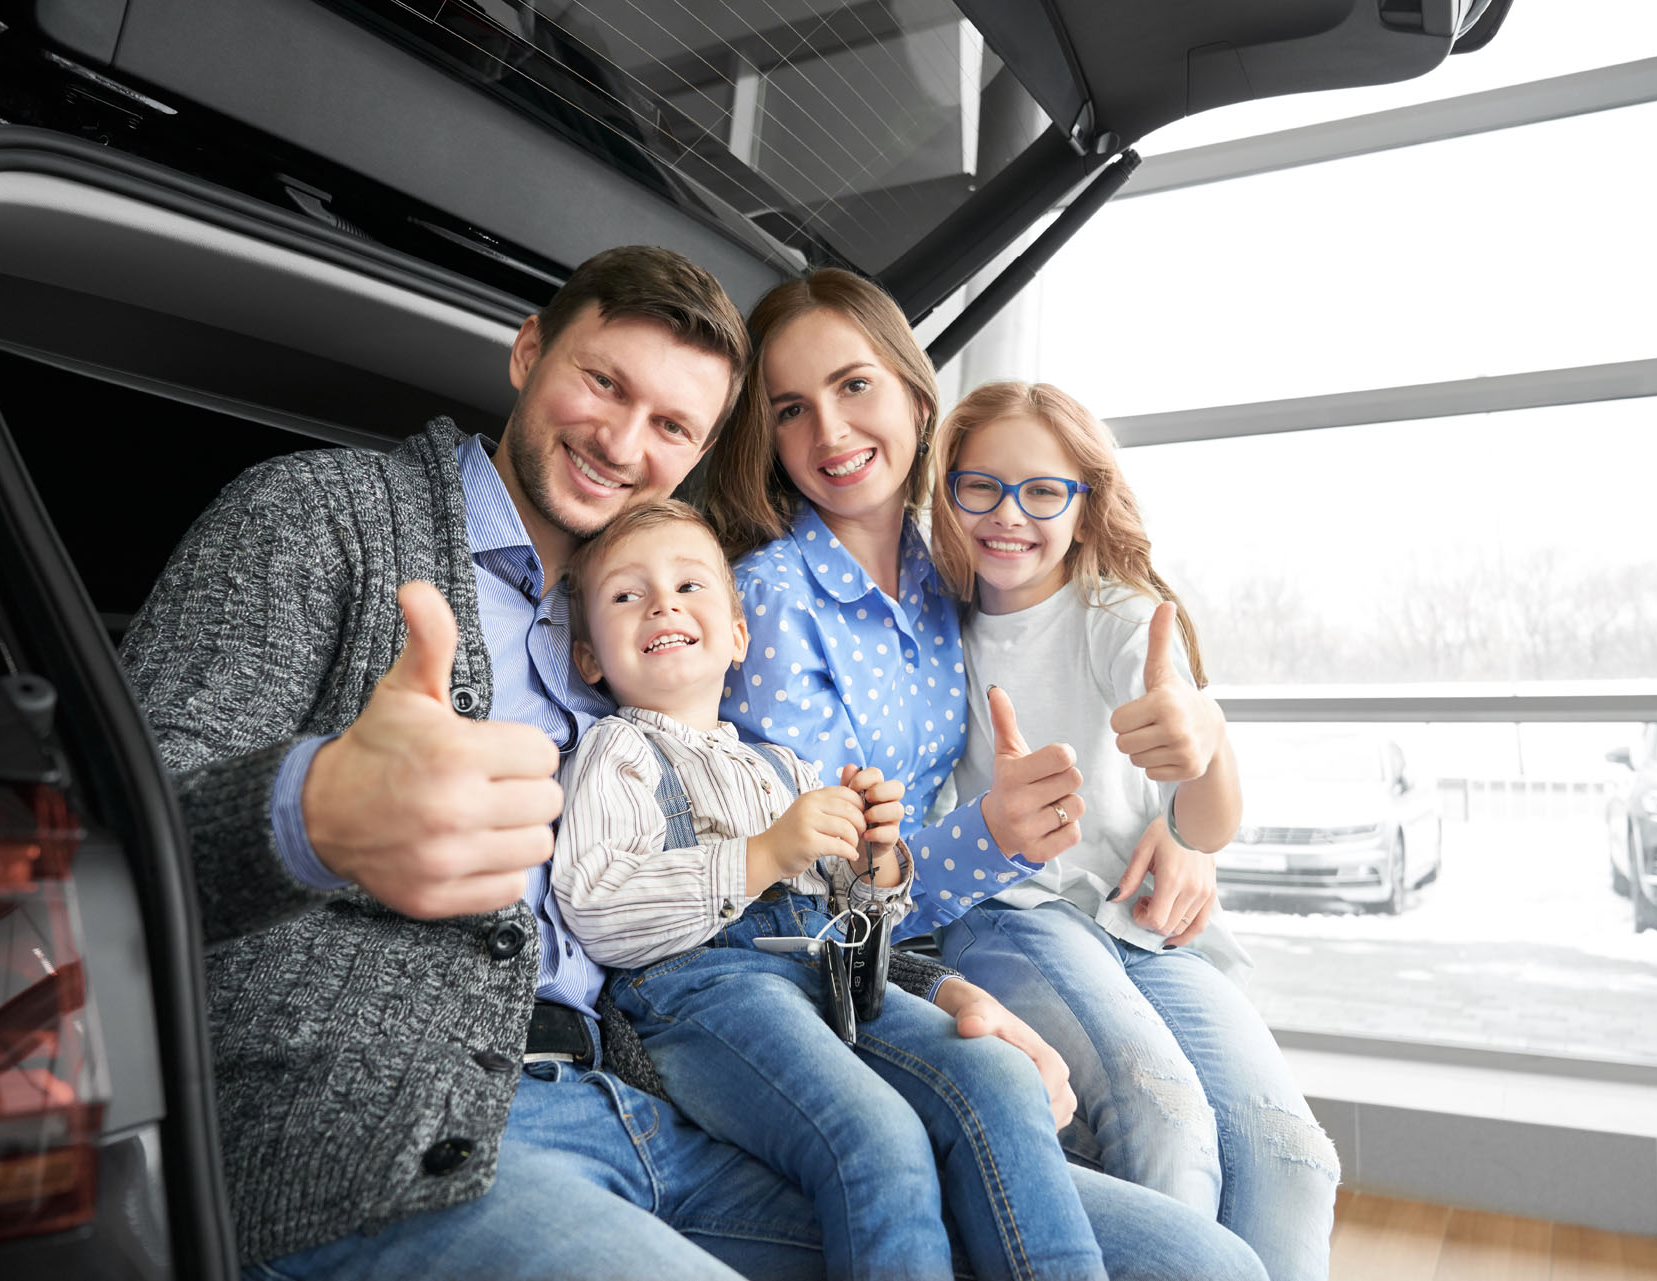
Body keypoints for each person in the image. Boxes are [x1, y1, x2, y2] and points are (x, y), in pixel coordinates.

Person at [119, 245, 1269, 1280]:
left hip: (656, 1099)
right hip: (382, 1131)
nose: (625, 444)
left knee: (1201, 1264)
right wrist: (310, 811)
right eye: (604, 384)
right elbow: (121, 825)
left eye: (673, 426)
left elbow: (742, 898)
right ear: (529, 352)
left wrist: (922, 984)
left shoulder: (662, 638)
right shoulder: (327, 520)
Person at [552, 500, 1108, 1281]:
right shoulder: (616, 751)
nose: (663, 604)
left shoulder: (784, 767)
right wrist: (767, 850)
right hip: (699, 991)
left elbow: (856, 916)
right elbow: (597, 904)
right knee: (876, 1137)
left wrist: (878, 860)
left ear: (738, 635)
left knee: (997, 1079)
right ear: (588, 659)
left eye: (688, 584)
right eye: (626, 595)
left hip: (829, 974)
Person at [930, 381, 1341, 1281]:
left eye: (1043, 491)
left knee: (1296, 1156)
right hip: (1016, 909)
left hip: (1143, 922)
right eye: (981, 487)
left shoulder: (1120, 616)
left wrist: (1206, 747)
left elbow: (1207, 816)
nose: (1009, 515)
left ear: (1083, 507)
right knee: (1164, 1118)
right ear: (947, 493)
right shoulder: (933, 621)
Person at [707, 269, 1084, 941]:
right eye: (790, 409)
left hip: (958, 909)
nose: (830, 432)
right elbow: (831, 880)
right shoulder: (770, 599)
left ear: (914, 396)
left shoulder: (945, 567)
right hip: (832, 940)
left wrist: (1177, 824)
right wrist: (992, 835)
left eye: (854, 384)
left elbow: (1086, 614)